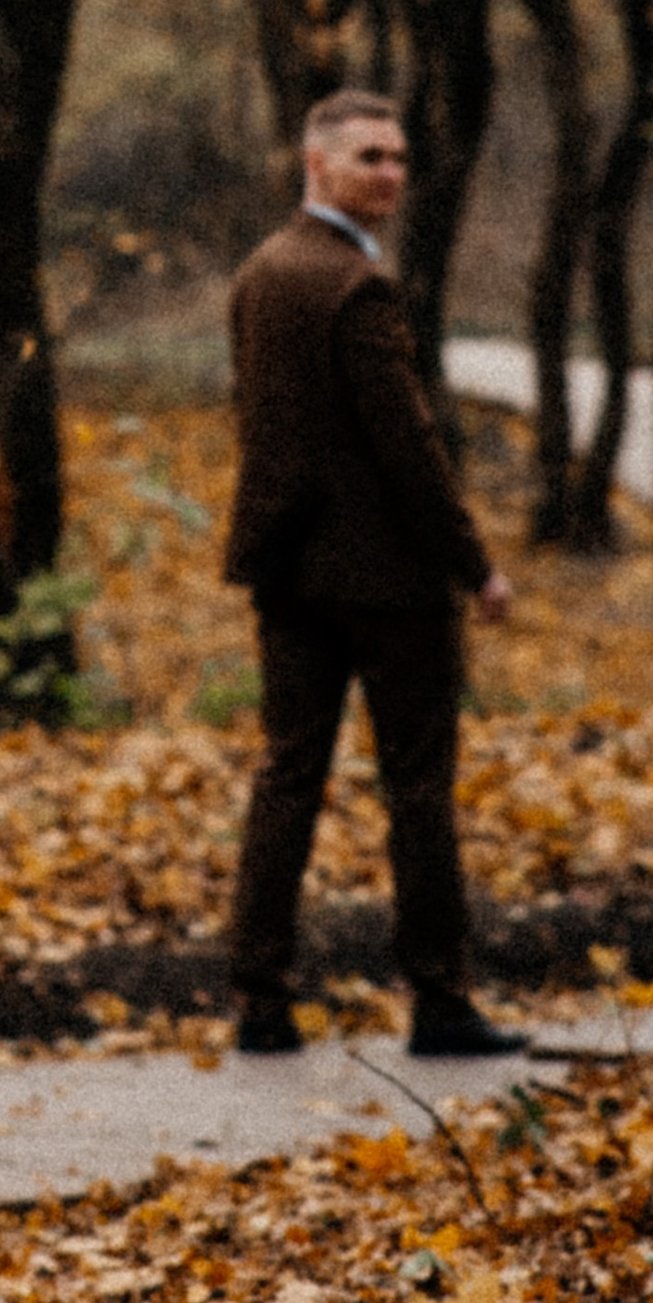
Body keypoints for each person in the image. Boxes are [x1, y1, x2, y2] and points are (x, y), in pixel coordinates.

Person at [220, 86, 528, 1063]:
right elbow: (409, 445)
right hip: (385, 583)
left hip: (285, 570)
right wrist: (472, 563)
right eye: (368, 157)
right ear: (317, 165)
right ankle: (439, 1001)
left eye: (397, 157)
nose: (388, 173)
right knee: (417, 787)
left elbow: (265, 425)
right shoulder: (356, 285)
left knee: (287, 777)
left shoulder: (259, 273)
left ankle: (259, 1000)